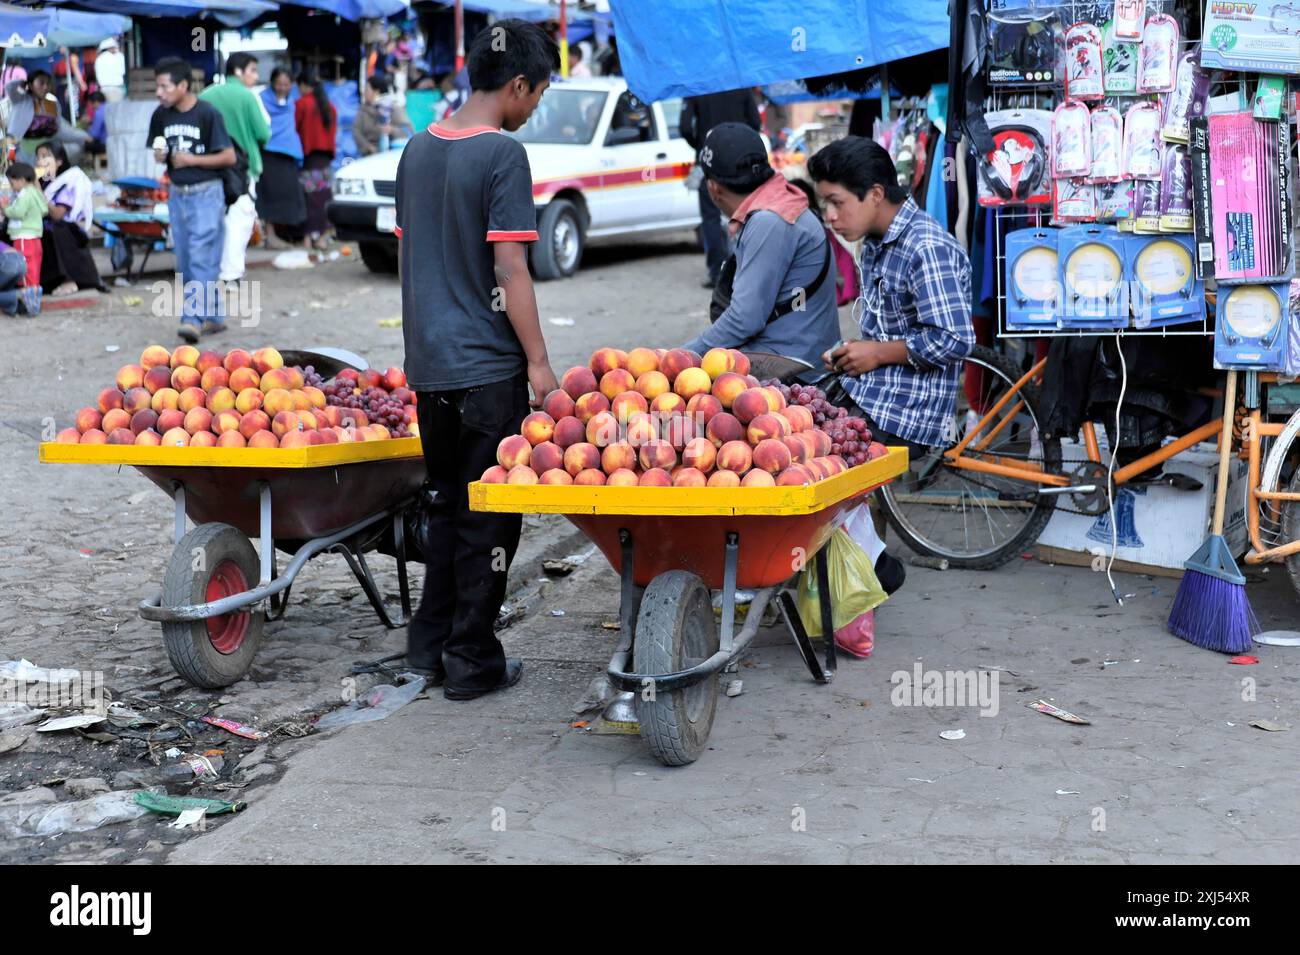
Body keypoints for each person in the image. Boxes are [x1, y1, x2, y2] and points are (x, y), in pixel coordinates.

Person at [395, 19, 559, 701]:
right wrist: (541, 365)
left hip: (428, 368)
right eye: (539, 94)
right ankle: (471, 662)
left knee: (443, 508)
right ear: (517, 84)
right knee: (487, 518)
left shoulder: (415, 149)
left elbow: (414, 259)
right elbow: (511, 268)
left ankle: (427, 649)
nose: (535, 108)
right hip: (488, 370)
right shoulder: (502, 155)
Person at [809, 137, 974, 594]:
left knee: (816, 455)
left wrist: (876, 353)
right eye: (826, 204)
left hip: (906, 411)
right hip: (875, 390)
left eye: (837, 203)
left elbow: (956, 338)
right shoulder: (879, 242)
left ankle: (872, 567)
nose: (831, 216)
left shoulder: (925, 247)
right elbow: (889, 329)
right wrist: (856, 352)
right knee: (789, 414)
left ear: (875, 194)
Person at [681, 123, 839, 377]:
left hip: (793, 373)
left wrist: (680, 357)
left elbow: (744, 320)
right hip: (799, 356)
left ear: (713, 188)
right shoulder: (781, 202)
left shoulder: (769, 222)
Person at [148, 56, 236, 343]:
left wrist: (192, 160)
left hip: (207, 193)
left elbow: (229, 156)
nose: (159, 92)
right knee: (187, 260)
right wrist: (161, 156)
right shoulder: (161, 115)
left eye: (164, 86)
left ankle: (192, 319)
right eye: (157, 86)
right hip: (178, 195)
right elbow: (159, 150)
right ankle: (213, 315)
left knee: (200, 256)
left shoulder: (208, 114)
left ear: (183, 86)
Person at [200, 52, 270, 282]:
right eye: (252, 70)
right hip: (243, 170)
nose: (256, 76)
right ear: (238, 71)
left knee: (213, 220)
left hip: (209, 168)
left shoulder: (206, 94)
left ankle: (210, 271)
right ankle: (231, 275)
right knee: (239, 222)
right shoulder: (248, 97)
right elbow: (263, 133)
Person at [680, 88, 760, 288]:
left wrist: (701, 144)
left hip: (708, 160)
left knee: (711, 217)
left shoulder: (696, 85)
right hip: (741, 162)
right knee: (746, 214)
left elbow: (685, 127)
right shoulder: (741, 84)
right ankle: (747, 269)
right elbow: (756, 123)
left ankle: (718, 272)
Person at [35, 142, 104, 295]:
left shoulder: (68, 181)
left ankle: (68, 280)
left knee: (52, 231)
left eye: (45, 156)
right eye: (38, 157)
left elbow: (57, 214)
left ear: (59, 161)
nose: (40, 161)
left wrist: (39, 192)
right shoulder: (40, 182)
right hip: (41, 224)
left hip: (64, 228)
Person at [257, 68, 306, 248]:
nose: (282, 88)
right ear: (272, 83)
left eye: (286, 84)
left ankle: (283, 234)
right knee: (269, 195)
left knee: (289, 195)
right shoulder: (261, 100)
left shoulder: (293, 100)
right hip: (268, 153)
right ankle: (269, 235)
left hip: (288, 155)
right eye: (279, 84)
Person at [294, 73, 337, 250]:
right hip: (325, 159)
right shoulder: (329, 106)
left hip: (310, 158)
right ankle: (321, 237)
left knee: (310, 198)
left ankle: (308, 237)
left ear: (304, 85)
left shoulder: (302, 104)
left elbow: (296, 129)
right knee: (324, 197)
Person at [3, 162, 47, 293]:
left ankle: (28, 295)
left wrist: (5, 208)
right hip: (34, 236)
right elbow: (44, 209)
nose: (11, 187)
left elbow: (18, 212)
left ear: (21, 180)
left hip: (23, 236)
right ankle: (33, 290)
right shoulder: (34, 192)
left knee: (24, 265)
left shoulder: (24, 195)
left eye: (12, 183)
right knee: (34, 266)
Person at [352, 74, 411, 156]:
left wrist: (392, 130)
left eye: (367, 89)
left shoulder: (393, 109)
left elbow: (408, 131)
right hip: (368, 156)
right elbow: (356, 131)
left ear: (376, 91)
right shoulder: (363, 111)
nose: (364, 92)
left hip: (391, 155)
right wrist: (369, 147)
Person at [0, 238, 35, 315]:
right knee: (5, 290)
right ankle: (19, 307)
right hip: (20, 261)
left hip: (6, 263)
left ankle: (20, 294)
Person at [95, 37, 127, 103]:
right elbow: (123, 71)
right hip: (116, 88)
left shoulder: (99, 59)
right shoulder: (120, 56)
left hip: (103, 88)